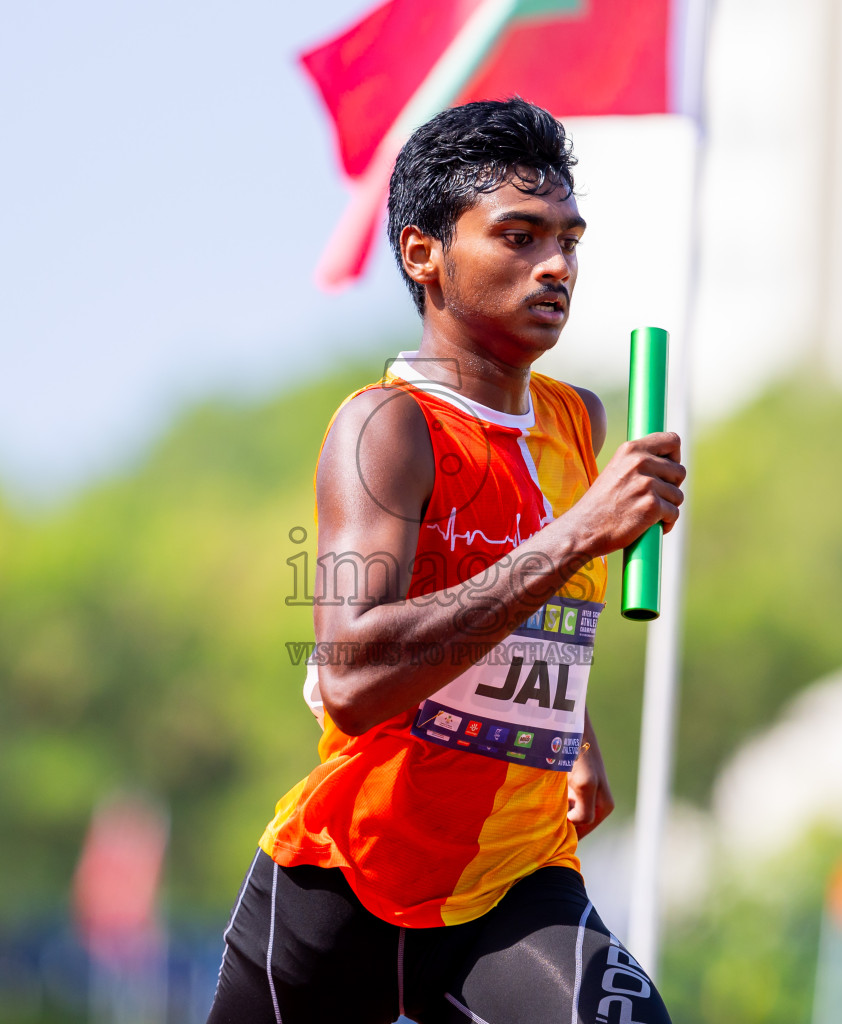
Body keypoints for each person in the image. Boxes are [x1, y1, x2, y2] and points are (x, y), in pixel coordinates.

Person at [207, 97, 684, 1024]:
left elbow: (545, 614)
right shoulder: (384, 428)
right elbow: (352, 678)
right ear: (424, 253)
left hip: (518, 878)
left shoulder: (577, 421)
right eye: (518, 236)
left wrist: (573, 735)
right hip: (350, 884)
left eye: (568, 240)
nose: (556, 267)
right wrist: (582, 532)